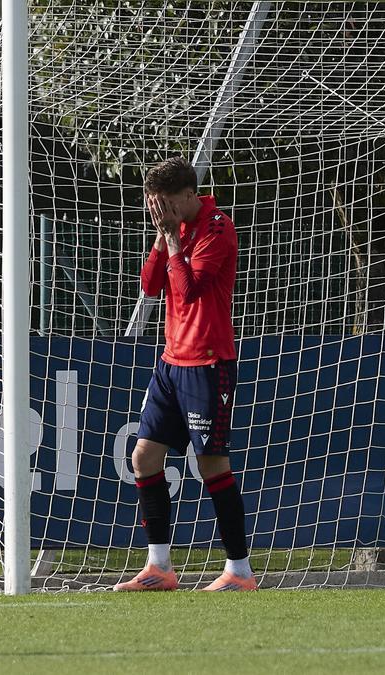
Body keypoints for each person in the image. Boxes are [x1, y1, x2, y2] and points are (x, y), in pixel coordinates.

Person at [115, 155, 256, 592]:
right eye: (156, 206)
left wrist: (174, 242)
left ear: (190, 195)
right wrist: (163, 238)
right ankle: (158, 567)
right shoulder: (173, 228)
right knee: (143, 457)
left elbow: (188, 289)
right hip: (171, 361)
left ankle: (240, 571)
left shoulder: (217, 227)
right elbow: (150, 286)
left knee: (211, 464)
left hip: (207, 363)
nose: (163, 212)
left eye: (167, 204)